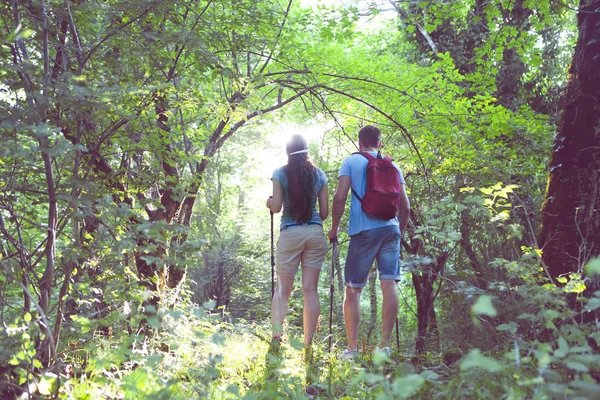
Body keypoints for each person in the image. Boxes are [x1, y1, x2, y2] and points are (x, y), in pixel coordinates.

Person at [328, 125, 410, 359]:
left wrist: (333, 228)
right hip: (391, 229)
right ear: (380, 143)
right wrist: (398, 232)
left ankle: (352, 349)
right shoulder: (393, 165)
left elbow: (340, 196)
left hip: (363, 231)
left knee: (353, 288)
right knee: (389, 283)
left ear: (359, 142)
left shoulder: (351, 162)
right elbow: (405, 206)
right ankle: (384, 346)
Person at [266, 134, 329, 349]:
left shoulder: (280, 173)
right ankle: (308, 344)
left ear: (287, 151)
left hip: (290, 233)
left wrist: (270, 201)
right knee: (310, 290)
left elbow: (276, 208)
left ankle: (277, 337)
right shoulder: (319, 175)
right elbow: (324, 213)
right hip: (315, 233)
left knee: (283, 288)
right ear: (306, 150)